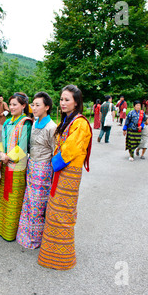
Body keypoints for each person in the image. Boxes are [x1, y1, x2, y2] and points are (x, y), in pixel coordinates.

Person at [38, 85, 93, 270]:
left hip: (68, 172)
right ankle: (50, 255)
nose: (62, 103)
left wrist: (52, 163)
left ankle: (63, 258)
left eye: (67, 99)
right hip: (59, 170)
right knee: (54, 211)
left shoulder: (80, 123)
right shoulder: (67, 120)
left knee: (63, 214)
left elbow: (70, 149)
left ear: (76, 102)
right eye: (61, 99)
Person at [16, 92, 57, 250]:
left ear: (47, 107)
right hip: (32, 166)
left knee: (38, 205)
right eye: (33, 104)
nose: (34, 107)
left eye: (37, 105)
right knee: (29, 202)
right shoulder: (34, 123)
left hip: (43, 169)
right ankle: (26, 236)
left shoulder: (51, 127)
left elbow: (54, 151)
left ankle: (37, 239)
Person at [0, 92, 33, 242]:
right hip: (5, 164)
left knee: (14, 197)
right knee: (4, 195)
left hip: (17, 166)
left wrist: (8, 157)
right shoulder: (7, 122)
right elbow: (1, 140)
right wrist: (1, 153)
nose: (11, 107)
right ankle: (1, 229)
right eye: (10, 104)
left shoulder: (25, 122)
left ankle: (11, 232)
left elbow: (23, 146)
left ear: (23, 106)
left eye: (15, 104)